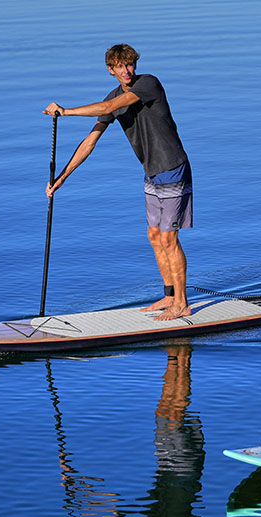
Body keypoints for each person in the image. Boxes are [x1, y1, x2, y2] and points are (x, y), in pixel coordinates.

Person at [44, 44, 193, 321]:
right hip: (151, 172)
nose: (127, 71)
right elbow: (90, 141)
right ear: (110, 70)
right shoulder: (113, 95)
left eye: (130, 64)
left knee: (169, 238)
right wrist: (62, 178)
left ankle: (182, 304)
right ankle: (170, 295)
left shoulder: (148, 84)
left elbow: (110, 107)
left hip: (173, 168)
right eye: (120, 67)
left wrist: (65, 112)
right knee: (154, 236)